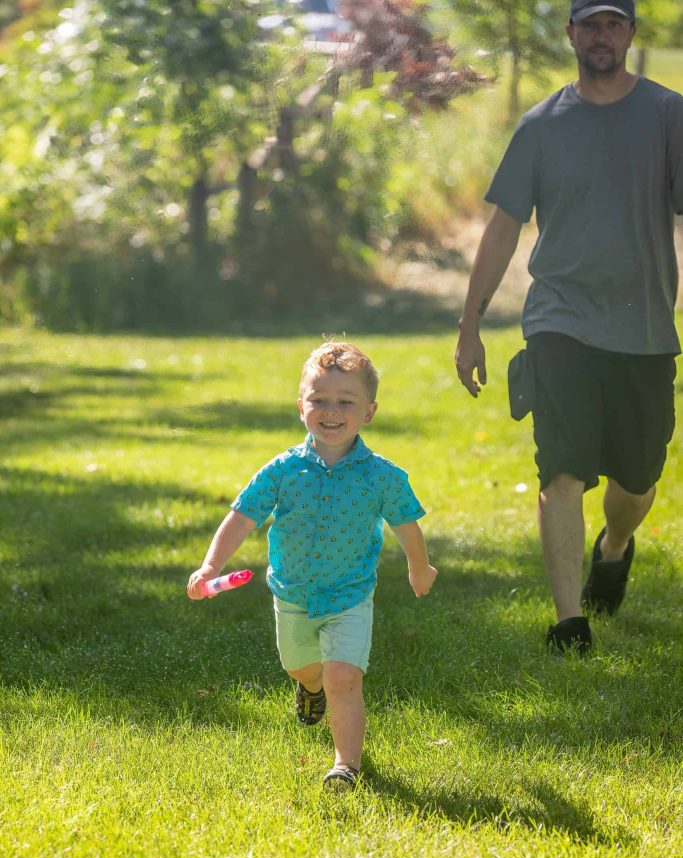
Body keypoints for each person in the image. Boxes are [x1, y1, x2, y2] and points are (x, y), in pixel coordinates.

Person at [455, 0, 683, 653]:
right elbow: (502, 227)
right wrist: (468, 324)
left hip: (642, 327)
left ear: (631, 33)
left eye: (614, 23)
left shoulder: (667, 116)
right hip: (559, 319)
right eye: (590, 24)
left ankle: (613, 544)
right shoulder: (541, 125)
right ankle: (567, 623)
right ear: (571, 33)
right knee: (560, 469)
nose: (602, 35)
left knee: (636, 480)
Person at [187, 341, 438, 787]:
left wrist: (419, 568)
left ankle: (346, 765)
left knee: (344, 677)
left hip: (349, 595)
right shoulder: (283, 470)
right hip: (293, 592)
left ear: (369, 412)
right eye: (319, 400)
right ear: (300, 406)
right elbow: (242, 516)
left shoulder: (382, 476)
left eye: (345, 401)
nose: (331, 410)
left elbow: (407, 526)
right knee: (301, 666)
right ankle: (309, 688)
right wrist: (210, 567)